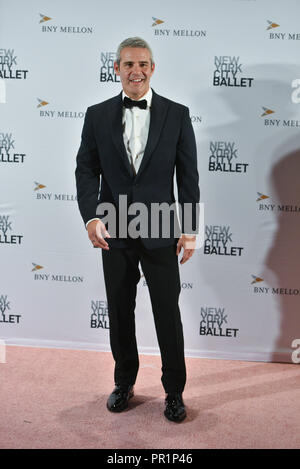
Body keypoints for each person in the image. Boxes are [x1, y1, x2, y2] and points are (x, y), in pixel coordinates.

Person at [75, 37, 200, 423]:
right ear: (116, 68)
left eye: (143, 64)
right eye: (128, 64)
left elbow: (188, 176)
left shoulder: (177, 114)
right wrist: (91, 217)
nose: (136, 71)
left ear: (153, 68)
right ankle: (124, 382)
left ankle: (174, 392)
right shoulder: (96, 114)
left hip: (162, 227)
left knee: (167, 313)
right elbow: (85, 170)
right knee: (119, 311)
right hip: (114, 226)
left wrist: (190, 228)